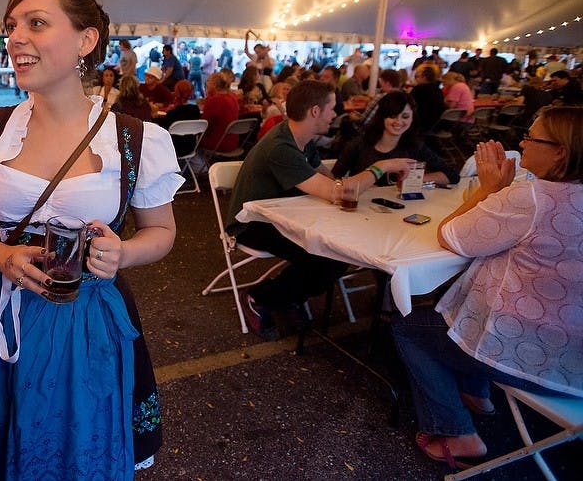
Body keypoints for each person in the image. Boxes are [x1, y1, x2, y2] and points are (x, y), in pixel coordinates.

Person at [0, 0, 183, 479]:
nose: (15, 38)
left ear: (86, 40)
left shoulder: (135, 139)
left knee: (79, 452)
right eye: (11, 25)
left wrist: (125, 253)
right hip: (3, 320)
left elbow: (161, 232)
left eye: (37, 23)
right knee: (0, 447)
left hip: (88, 324)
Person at [392, 108, 583, 471]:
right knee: (463, 309)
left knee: (410, 327)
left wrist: (489, 188)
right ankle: (477, 394)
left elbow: (449, 234)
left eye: (531, 137)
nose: (522, 142)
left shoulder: (529, 198)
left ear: (561, 151)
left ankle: (456, 432)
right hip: (575, 356)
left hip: (532, 352)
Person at [225, 80, 414, 339]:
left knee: (334, 253)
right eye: (332, 108)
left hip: (285, 215)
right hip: (252, 225)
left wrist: (344, 187)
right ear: (315, 111)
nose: (336, 113)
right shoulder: (281, 147)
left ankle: (286, 297)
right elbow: (338, 192)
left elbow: (332, 184)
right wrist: (381, 167)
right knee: (326, 254)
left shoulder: (301, 140)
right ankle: (260, 297)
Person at [332, 90, 458, 187]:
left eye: (405, 116)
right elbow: (333, 179)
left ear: (412, 119)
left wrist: (415, 179)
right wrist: (363, 184)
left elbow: (452, 176)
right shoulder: (358, 145)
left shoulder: (415, 147)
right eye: (393, 116)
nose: (399, 122)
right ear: (382, 117)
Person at [200, 72, 240, 153]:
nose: (206, 84)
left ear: (214, 85)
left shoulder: (213, 101)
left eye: (208, 81)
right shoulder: (233, 98)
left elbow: (204, 126)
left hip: (217, 143)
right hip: (233, 143)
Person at [410, 64, 446, 133]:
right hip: (437, 123)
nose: (416, 79)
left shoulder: (419, 89)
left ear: (425, 77)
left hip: (423, 123)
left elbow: (409, 103)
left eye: (418, 77)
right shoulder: (437, 89)